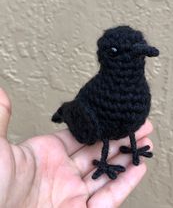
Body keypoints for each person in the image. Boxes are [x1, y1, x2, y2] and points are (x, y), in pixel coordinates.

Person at [0, 88, 153, 208]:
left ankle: (134, 149)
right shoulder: (101, 92)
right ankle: (104, 162)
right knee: (105, 137)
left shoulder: (141, 93)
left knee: (132, 129)